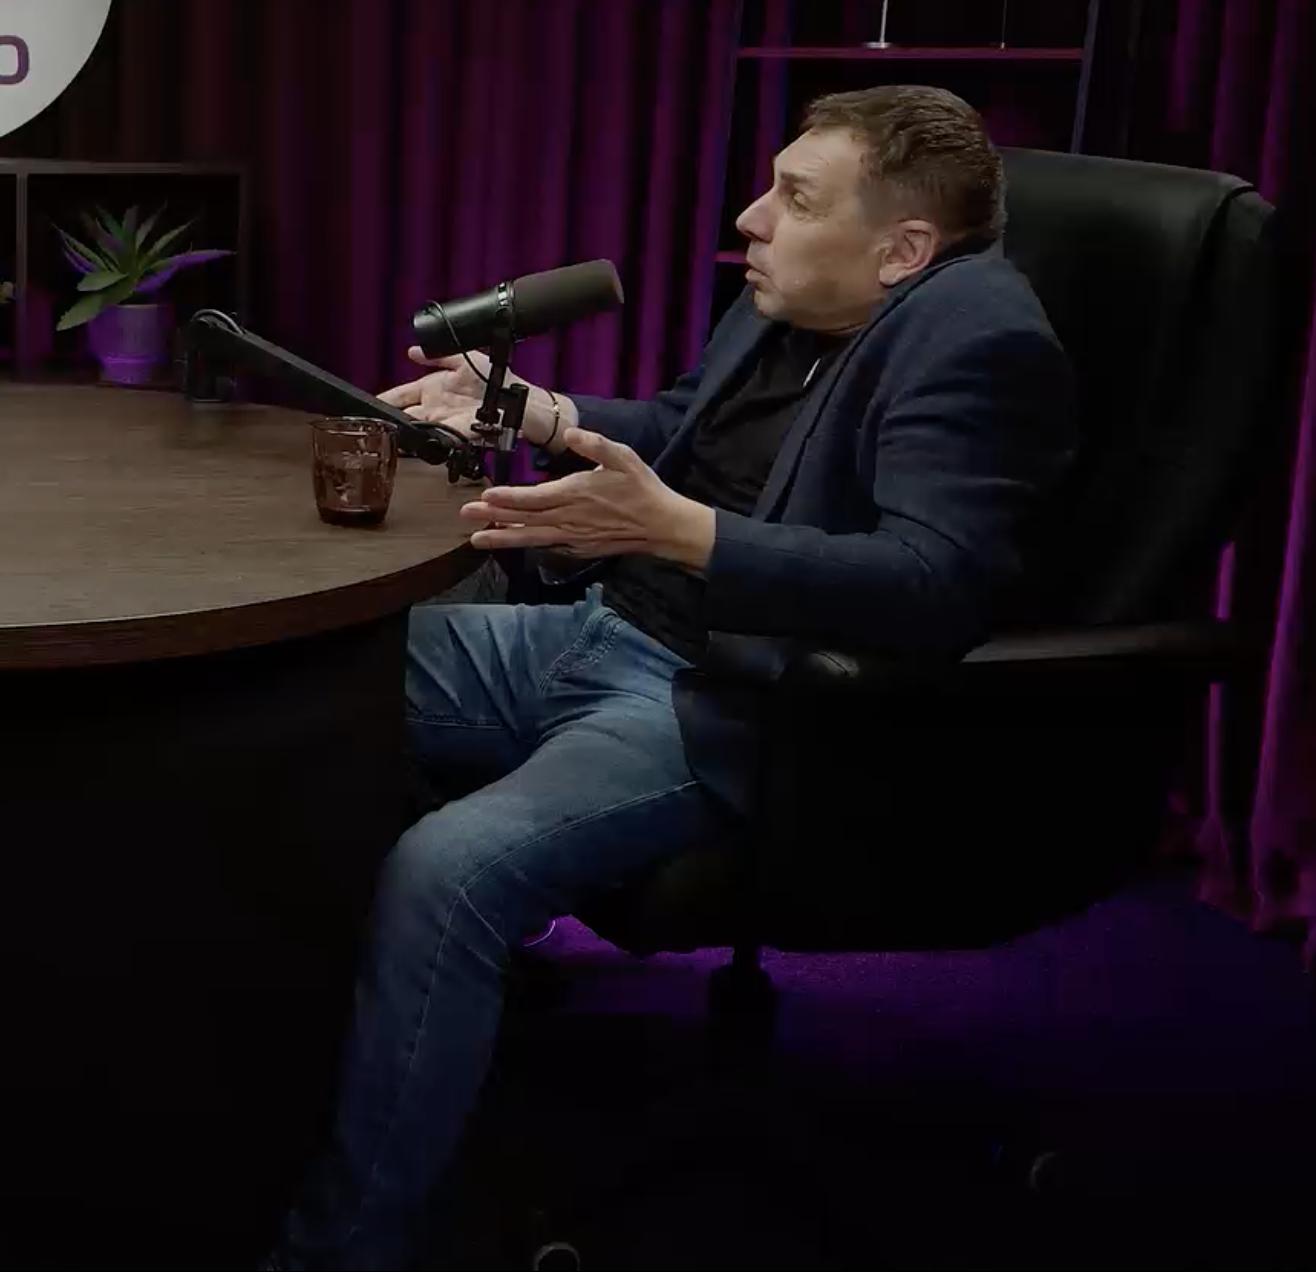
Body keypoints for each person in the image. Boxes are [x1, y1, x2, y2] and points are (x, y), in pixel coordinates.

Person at [269, 85, 1078, 1269]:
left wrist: (681, 533)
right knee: (294, 688)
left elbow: (935, 582)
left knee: (448, 872)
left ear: (903, 250)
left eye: (795, 197)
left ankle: (344, 1250)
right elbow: (684, 429)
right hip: (600, 630)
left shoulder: (978, 342)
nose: (751, 217)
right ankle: (335, 1060)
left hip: (728, 701)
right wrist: (535, 411)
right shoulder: (788, 296)